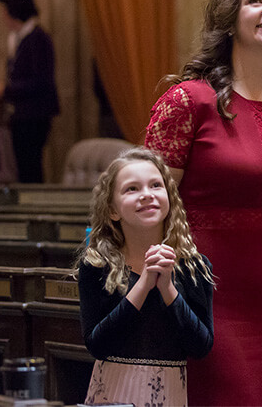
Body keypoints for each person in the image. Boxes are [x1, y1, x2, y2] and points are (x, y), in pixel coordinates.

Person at [145, 0, 262, 406]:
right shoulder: (188, 100)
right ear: (228, 18)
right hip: (207, 297)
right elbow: (145, 204)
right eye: (255, 0)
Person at [78, 147, 214, 406]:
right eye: (132, 189)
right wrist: (143, 284)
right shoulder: (97, 265)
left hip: (170, 394)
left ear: (169, 199)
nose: (147, 195)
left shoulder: (195, 268)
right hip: (113, 394)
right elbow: (98, 345)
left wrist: (167, 289)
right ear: (112, 211)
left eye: (155, 185)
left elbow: (200, 346)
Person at [0, 0, 60, 182]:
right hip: (22, 115)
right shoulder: (19, 38)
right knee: (23, 168)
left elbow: (41, 82)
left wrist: (6, 90)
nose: (3, 16)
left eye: (5, 10)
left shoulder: (38, 39)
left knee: (31, 168)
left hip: (34, 115)